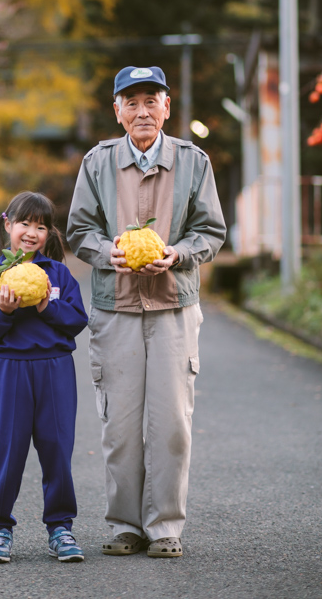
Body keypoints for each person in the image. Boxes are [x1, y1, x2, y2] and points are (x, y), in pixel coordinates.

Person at [67, 65, 226, 558]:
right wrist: (104, 252)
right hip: (115, 308)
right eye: (130, 102)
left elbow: (211, 230)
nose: (141, 111)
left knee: (172, 423)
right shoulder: (96, 162)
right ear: (117, 111)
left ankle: (165, 529)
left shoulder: (194, 161)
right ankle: (124, 526)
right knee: (119, 425)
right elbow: (77, 229)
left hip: (174, 306)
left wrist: (177, 254)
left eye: (150, 100)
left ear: (167, 107)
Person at [0, 191, 88, 564]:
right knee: (8, 452)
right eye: (24, 223)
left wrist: (45, 305)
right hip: (9, 371)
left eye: (41, 226)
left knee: (57, 450)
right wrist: (4, 312)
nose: (32, 232)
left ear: (49, 233)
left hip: (54, 369)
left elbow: (77, 320)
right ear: (8, 225)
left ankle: (60, 527)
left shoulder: (58, 274)